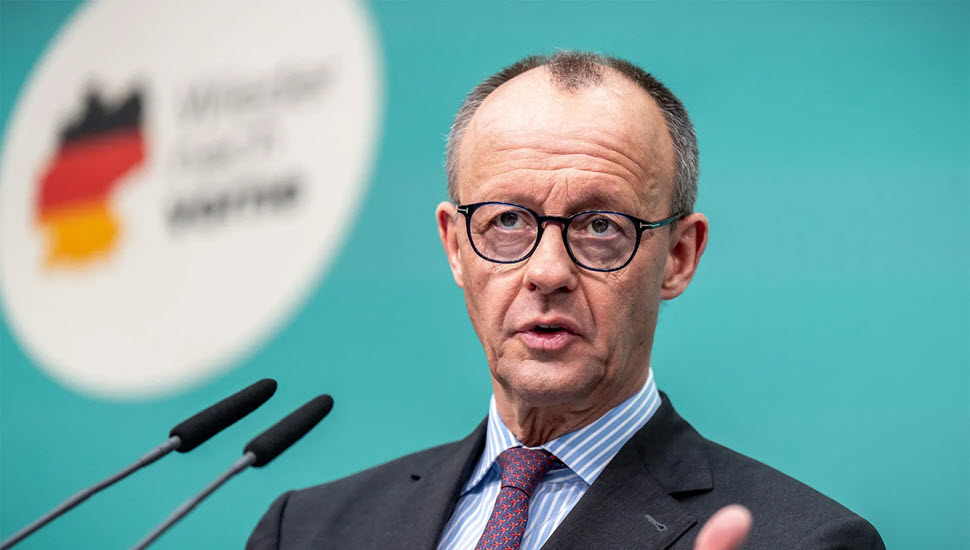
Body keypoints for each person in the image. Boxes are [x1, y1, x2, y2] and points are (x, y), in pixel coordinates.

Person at [246, 51, 885, 550]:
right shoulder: (306, 532)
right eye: (507, 221)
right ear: (455, 246)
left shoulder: (805, 542)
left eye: (601, 226)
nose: (547, 272)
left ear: (679, 257)